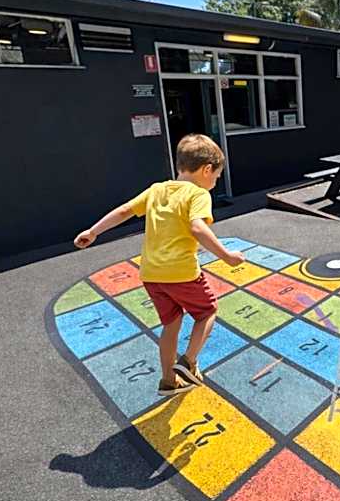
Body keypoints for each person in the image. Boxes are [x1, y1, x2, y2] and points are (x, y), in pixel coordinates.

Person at [73, 134, 244, 397]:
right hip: (182, 273)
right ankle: (189, 361)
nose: (215, 181)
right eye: (216, 176)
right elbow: (197, 226)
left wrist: (94, 231)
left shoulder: (156, 190)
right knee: (207, 312)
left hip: (151, 275)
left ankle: (168, 381)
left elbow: (124, 211)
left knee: (171, 324)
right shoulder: (198, 194)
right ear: (206, 169)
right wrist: (227, 256)